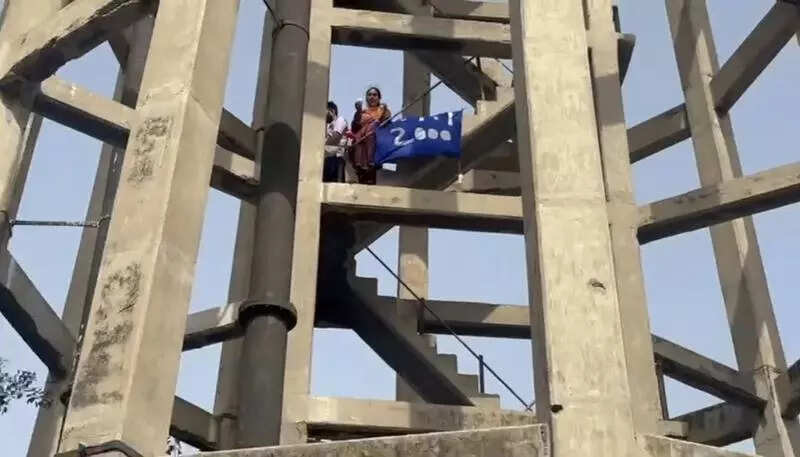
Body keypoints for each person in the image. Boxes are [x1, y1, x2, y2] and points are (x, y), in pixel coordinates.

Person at [349, 87, 391, 185]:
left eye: (374, 95)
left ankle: (370, 161)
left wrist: (378, 119)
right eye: (369, 95)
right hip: (361, 145)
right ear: (366, 98)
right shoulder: (362, 112)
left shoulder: (383, 110)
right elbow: (354, 128)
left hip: (377, 143)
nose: (372, 97)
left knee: (372, 126)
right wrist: (358, 112)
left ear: (379, 98)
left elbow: (386, 124)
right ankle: (362, 166)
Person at [324, 101, 348, 182]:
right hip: (327, 159)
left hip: (337, 160)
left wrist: (320, 145)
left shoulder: (340, 120)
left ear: (332, 111)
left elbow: (335, 138)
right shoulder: (328, 126)